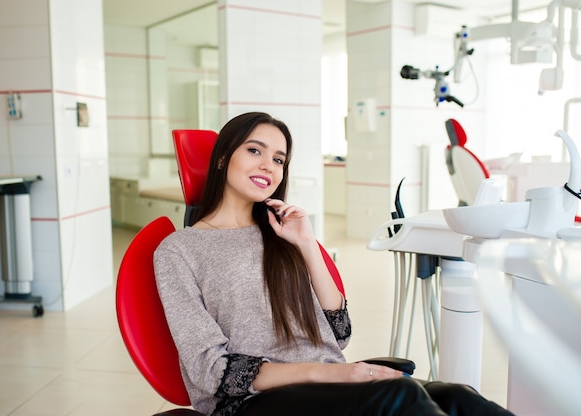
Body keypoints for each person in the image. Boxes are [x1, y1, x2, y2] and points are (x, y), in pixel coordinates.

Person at [154, 112, 513, 416]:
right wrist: (336, 375)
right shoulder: (179, 250)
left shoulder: (283, 235)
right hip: (250, 403)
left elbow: (338, 334)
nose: (268, 165)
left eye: (279, 159)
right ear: (221, 158)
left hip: (325, 382)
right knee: (401, 397)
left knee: (458, 398)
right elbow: (211, 371)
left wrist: (307, 245)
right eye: (254, 150)